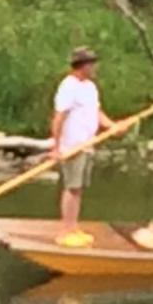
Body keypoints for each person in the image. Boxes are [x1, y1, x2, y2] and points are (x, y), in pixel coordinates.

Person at [50, 46, 122, 247]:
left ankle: (73, 228)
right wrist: (56, 147)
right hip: (72, 146)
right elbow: (59, 118)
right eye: (92, 64)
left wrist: (112, 126)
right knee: (71, 187)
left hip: (87, 145)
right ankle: (66, 231)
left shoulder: (90, 87)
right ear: (83, 65)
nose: (95, 67)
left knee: (78, 188)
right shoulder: (68, 87)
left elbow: (97, 113)